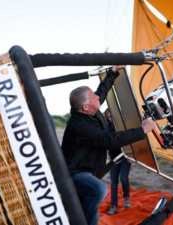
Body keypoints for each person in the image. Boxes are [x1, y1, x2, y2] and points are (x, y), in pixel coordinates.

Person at [61, 65, 156, 225]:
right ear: (85, 106)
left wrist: (112, 72)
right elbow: (109, 140)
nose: (98, 98)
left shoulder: (90, 111)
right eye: (93, 98)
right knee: (98, 190)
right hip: (75, 175)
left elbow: (101, 92)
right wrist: (142, 130)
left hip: (89, 171)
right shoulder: (79, 126)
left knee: (91, 207)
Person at [104, 108, 132, 216]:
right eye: (109, 116)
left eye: (112, 116)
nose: (111, 118)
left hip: (125, 157)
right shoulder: (107, 129)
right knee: (113, 183)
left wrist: (131, 155)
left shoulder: (123, 126)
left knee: (124, 178)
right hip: (114, 158)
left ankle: (127, 198)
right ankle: (114, 207)